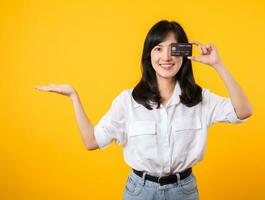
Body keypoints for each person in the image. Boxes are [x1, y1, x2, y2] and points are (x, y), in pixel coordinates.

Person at [35, 20, 253, 200]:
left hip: (183, 192)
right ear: (149, 55)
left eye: (173, 49)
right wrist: (74, 97)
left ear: (184, 54)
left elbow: (243, 111)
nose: (166, 57)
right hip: (139, 192)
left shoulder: (199, 98)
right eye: (158, 49)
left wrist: (217, 64)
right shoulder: (127, 101)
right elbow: (92, 141)